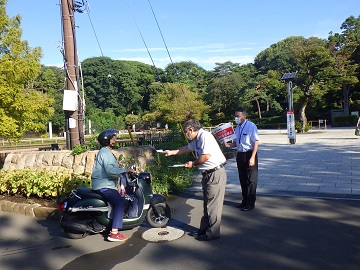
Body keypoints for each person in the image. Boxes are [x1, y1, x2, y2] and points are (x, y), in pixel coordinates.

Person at [162, 119, 227, 241]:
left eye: (186, 132)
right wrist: (171, 152)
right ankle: (204, 230)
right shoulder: (197, 139)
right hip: (207, 173)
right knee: (207, 203)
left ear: (191, 129)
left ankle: (212, 233)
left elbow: (205, 157)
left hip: (215, 173)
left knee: (213, 205)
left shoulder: (205, 137)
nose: (186, 134)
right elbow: (186, 148)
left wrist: (193, 163)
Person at [92, 128, 135, 242]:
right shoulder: (105, 153)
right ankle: (114, 233)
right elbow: (110, 171)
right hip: (104, 186)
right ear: (107, 140)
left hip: (103, 184)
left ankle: (105, 224)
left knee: (115, 202)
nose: (115, 139)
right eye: (113, 138)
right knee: (120, 203)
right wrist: (125, 170)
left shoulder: (104, 152)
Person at [224, 107, 259, 211]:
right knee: (242, 179)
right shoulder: (237, 128)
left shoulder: (251, 126)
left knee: (251, 180)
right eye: (235, 116)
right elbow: (236, 142)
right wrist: (229, 145)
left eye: (238, 116)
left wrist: (252, 157)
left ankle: (250, 203)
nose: (236, 118)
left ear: (244, 116)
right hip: (240, 155)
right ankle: (244, 200)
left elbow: (255, 142)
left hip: (249, 154)